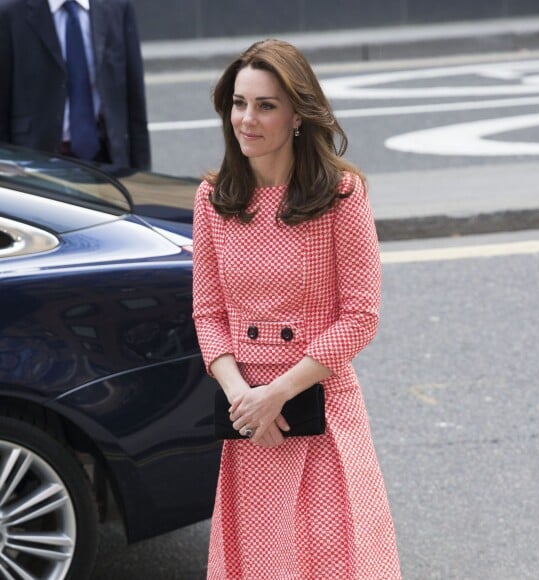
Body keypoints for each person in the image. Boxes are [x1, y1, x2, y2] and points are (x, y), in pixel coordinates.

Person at [192, 39, 401, 579]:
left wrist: (276, 395)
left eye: (265, 105)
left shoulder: (339, 195)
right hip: (248, 420)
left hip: (317, 405)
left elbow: (361, 314)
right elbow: (208, 313)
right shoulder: (214, 198)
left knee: (329, 560)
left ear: (298, 115)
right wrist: (243, 399)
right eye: (239, 103)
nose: (247, 119)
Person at [0, 0, 150, 169]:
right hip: (37, 160)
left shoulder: (117, 6)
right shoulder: (10, 11)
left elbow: (134, 97)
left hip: (106, 157)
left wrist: (142, 173)